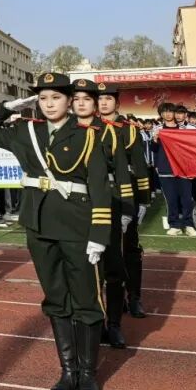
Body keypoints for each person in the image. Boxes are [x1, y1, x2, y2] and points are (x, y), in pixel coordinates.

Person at [0, 73, 110, 390]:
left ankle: (88, 375)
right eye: (43, 98)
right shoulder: (26, 132)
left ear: (70, 101)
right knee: (56, 299)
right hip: (39, 225)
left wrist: (99, 233)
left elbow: (99, 186)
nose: (49, 104)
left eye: (56, 97)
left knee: (86, 301)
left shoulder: (88, 135)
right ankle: (68, 372)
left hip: (77, 226)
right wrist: (7, 107)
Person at [72, 80, 133, 350]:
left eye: (86, 99)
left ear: (95, 103)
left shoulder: (109, 131)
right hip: (76, 206)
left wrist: (127, 208)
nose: (81, 104)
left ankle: (115, 324)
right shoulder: (65, 131)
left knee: (113, 268)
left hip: (107, 203)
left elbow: (121, 172)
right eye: (76, 99)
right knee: (84, 270)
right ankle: (92, 325)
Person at [96, 83, 150, 321]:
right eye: (100, 99)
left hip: (125, 193)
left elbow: (139, 165)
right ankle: (109, 299)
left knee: (130, 248)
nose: (103, 103)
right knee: (103, 248)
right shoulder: (91, 127)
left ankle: (134, 296)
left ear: (117, 103)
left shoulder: (129, 130)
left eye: (108, 99)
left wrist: (143, 200)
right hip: (100, 193)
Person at [151, 103, 196, 236]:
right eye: (164, 112)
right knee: (171, 199)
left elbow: (190, 149)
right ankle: (174, 225)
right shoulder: (158, 129)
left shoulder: (184, 129)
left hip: (183, 168)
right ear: (161, 114)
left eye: (170, 111)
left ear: (174, 113)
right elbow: (154, 149)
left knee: (186, 199)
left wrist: (192, 168)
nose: (167, 114)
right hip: (165, 168)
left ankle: (188, 225)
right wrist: (155, 139)